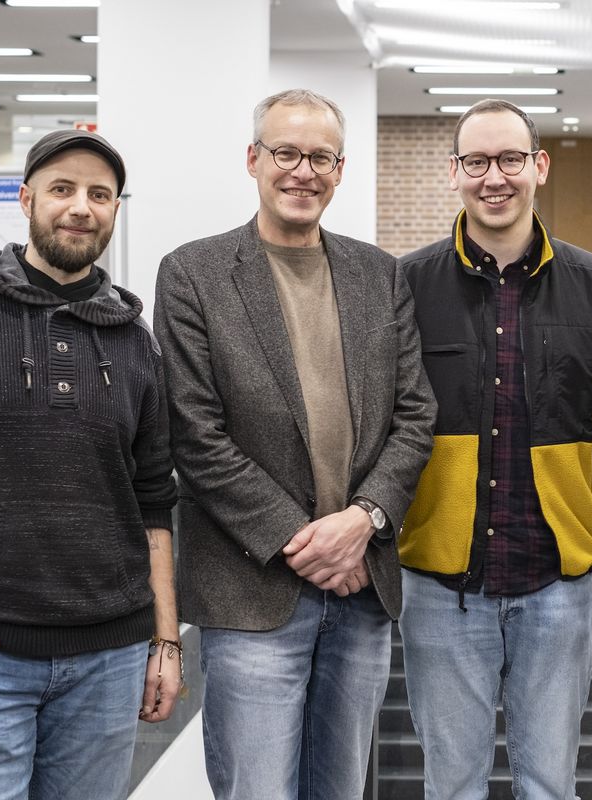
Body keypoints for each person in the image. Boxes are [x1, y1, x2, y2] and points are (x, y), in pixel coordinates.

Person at [153, 89, 435, 800]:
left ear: (340, 169)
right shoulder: (194, 274)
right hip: (253, 590)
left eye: (320, 157)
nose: (302, 171)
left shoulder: (381, 274)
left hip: (362, 586)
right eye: (286, 153)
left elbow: (415, 415)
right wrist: (304, 541)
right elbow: (195, 433)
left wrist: (362, 521)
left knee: (340, 789)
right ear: (254, 160)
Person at [397, 98, 592, 799]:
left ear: (540, 166)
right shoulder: (407, 285)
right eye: (477, 161)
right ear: (455, 172)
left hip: (556, 585)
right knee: (453, 786)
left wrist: (571, 502)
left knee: (549, 784)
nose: (493, 177)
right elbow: (389, 418)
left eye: (509, 159)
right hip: (442, 584)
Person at [0, 129, 181, 799]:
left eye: (99, 194)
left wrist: (165, 641)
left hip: (107, 660)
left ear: (115, 209)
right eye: (62, 189)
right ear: (26, 199)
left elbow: (154, 498)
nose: (81, 207)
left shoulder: (134, 339)